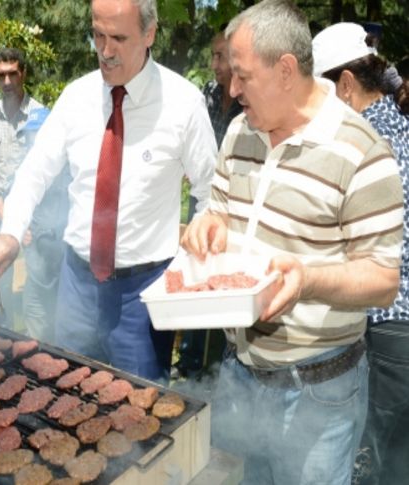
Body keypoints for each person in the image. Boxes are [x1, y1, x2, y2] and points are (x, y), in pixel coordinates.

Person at [180, 2, 403, 483]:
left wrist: (308, 280)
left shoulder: (363, 152)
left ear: (285, 70)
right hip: (239, 377)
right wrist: (209, 223)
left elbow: (384, 279)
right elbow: (217, 206)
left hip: (319, 395)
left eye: (242, 75)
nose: (231, 87)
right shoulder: (241, 129)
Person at [0, 0, 217, 380]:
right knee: (65, 393)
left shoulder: (183, 104)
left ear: (149, 33)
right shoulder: (76, 98)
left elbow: (211, 194)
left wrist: (200, 249)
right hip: (76, 283)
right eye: (98, 35)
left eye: (119, 38)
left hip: (143, 294)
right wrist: (10, 231)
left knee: (141, 414)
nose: (104, 52)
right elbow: (34, 172)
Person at [313, 22, 409, 485]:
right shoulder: (395, 121)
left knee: (384, 461)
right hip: (397, 326)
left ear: (346, 85)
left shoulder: (370, 144)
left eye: (318, 89)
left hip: (390, 326)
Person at [176, 26, 244, 378]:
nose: (214, 64)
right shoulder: (207, 96)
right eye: (213, 55)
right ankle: (189, 360)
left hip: (233, 209)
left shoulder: (249, 106)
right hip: (201, 199)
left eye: (221, 56)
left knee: (221, 282)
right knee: (194, 273)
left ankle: (215, 363)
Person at [0, 48, 48, 329]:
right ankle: (0, 346)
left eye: (12, 74)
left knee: (38, 290)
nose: (6, 81)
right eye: (1, 75)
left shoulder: (41, 116)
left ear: (23, 74)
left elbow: (49, 174)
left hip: (34, 222)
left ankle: (40, 347)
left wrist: (29, 219)